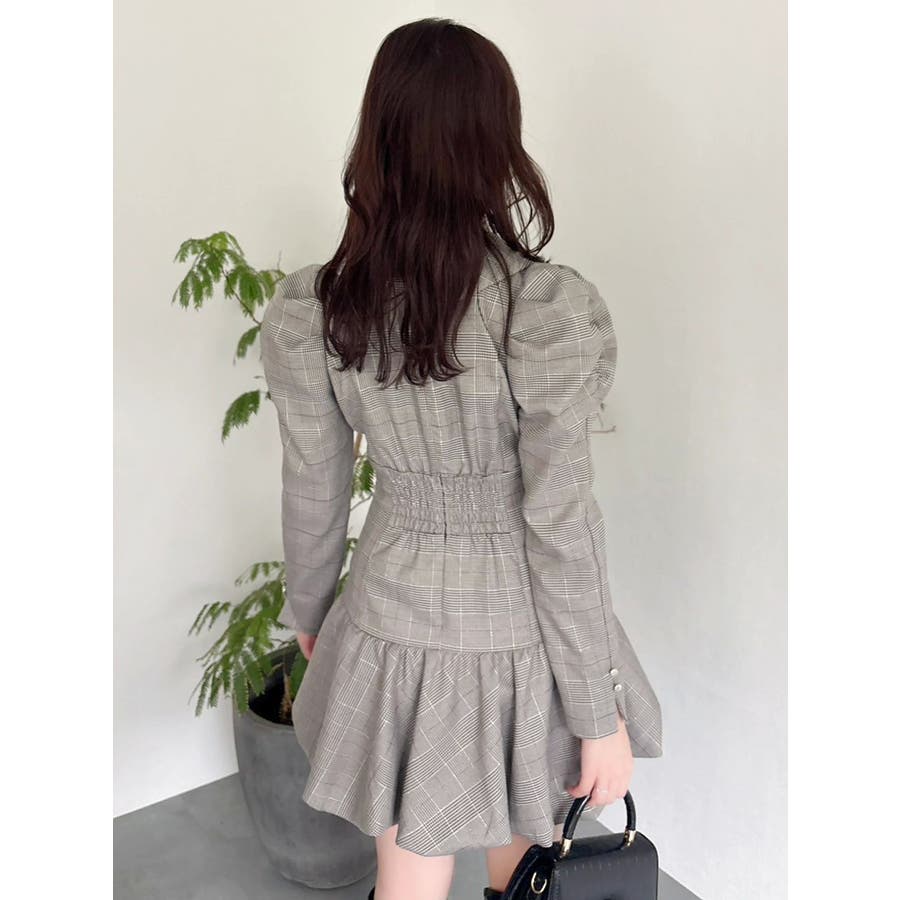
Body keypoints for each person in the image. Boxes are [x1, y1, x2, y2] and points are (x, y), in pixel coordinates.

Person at [259, 17, 662, 900]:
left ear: (376, 136)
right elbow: (559, 522)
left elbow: (313, 484)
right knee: (526, 872)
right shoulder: (544, 309)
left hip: (389, 613)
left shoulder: (320, 309)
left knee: (406, 869)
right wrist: (596, 711)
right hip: (520, 635)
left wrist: (311, 607)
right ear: (496, 140)